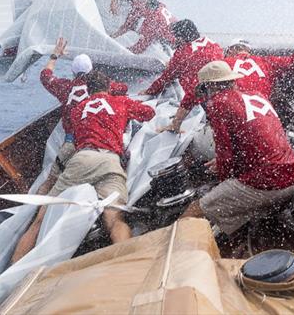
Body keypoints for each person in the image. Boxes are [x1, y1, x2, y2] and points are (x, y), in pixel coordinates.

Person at [11, 70, 155, 263]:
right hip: (110, 161)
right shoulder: (120, 102)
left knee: (39, 220)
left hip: (82, 159)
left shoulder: (78, 109)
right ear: (109, 87)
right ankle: (127, 264)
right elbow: (149, 113)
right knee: (115, 219)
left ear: (89, 89)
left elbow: (75, 138)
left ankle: (13, 267)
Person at [179, 61, 294, 235]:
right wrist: (223, 162)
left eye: (205, 91)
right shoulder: (258, 95)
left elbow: (226, 154)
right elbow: (258, 143)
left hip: (267, 184)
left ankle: (169, 244)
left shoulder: (218, 102)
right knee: (257, 204)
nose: (206, 97)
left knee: (198, 208)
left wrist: (223, 180)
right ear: (231, 81)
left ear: (210, 87)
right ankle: (289, 201)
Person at [37, 38, 128, 194]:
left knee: (50, 183)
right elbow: (123, 88)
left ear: (73, 72)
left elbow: (45, 76)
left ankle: (35, 212)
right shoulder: (104, 85)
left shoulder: (65, 87)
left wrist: (55, 55)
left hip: (71, 143)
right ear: (92, 70)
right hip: (95, 145)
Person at [146, 19, 223, 133]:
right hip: (222, 91)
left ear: (181, 37)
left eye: (174, 37)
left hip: (204, 95)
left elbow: (168, 76)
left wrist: (150, 91)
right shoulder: (211, 44)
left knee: (216, 123)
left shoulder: (184, 53)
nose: (172, 40)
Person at [111, 0, 177, 54]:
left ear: (145, 0)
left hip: (172, 46)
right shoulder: (154, 5)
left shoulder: (152, 20)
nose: (135, 1)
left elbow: (139, 48)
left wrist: (118, 50)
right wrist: (113, 2)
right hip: (171, 35)